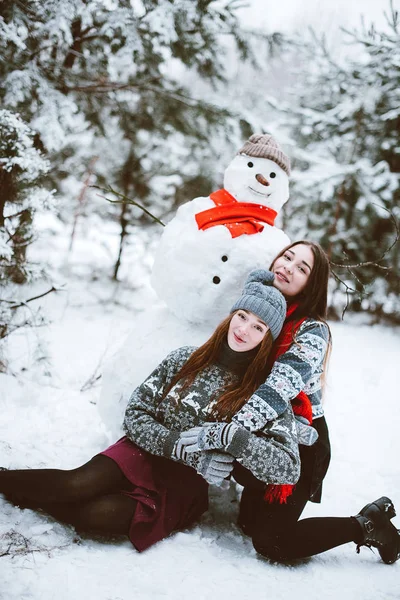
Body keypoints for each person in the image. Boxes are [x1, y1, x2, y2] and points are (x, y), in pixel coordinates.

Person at [0, 272, 301, 553]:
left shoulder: (263, 395)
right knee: (76, 485)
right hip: (140, 452)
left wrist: (235, 439)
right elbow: (135, 414)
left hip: (181, 486)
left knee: (96, 515)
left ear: (267, 338)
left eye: (258, 327)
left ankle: (38, 496)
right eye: (242, 316)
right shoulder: (185, 358)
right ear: (232, 315)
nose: (244, 329)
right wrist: (183, 450)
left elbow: (288, 469)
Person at [206, 240, 399, 565]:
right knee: (246, 523)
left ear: (312, 283)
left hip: (301, 441)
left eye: (302, 268)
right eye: (287, 256)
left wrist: (225, 437)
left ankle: (367, 524)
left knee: (271, 542)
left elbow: (276, 389)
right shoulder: (261, 310)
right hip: (264, 432)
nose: (288, 267)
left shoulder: (312, 331)